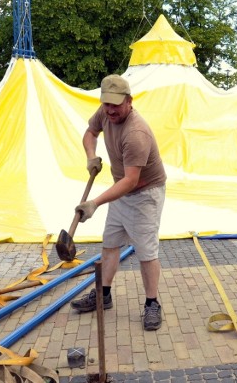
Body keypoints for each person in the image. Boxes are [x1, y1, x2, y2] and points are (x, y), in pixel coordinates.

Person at [70, 74, 167, 331]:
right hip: (120, 192)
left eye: (116, 105)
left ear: (129, 101)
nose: (110, 110)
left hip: (145, 195)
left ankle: (152, 303)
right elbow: (90, 133)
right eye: (106, 104)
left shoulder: (137, 133)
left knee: (146, 252)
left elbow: (131, 181)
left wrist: (95, 203)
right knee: (110, 244)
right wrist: (91, 156)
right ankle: (103, 295)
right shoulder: (105, 113)